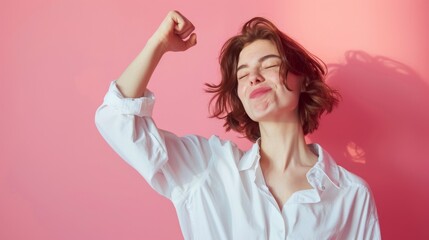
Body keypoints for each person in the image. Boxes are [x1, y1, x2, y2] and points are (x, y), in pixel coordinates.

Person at [95, 10, 381, 239]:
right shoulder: (207, 167)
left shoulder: (350, 194)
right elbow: (117, 120)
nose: (254, 78)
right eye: (243, 75)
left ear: (302, 79)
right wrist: (157, 44)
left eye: (269, 65)